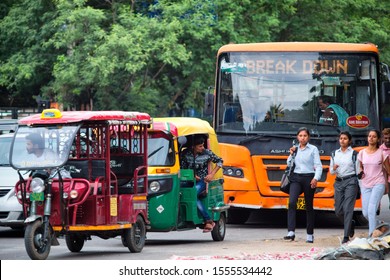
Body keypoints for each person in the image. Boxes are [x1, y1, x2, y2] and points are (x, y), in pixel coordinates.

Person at [284, 127, 323, 243]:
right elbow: (289, 164)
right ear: (297, 137)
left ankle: (310, 234)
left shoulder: (313, 149)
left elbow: (318, 166)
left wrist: (316, 178)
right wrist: (291, 154)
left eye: (305, 136)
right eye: (300, 136)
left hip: (309, 178)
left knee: (308, 206)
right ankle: (291, 232)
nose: (302, 138)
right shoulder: (295, 149)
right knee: (292, 202)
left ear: (308, 137)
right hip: (296, 177)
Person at [180, 134, 223, 232]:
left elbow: (220, 161)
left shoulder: (207, 153)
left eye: (203, 145)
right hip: (188, 180)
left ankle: (208, 220)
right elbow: (182, 167)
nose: (202, 148)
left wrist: (211, 174)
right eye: (200, 146)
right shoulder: (186, 154)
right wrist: (192, 176)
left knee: (193, 193)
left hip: (202, 181)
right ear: (193, 147)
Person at [358, 130, 390, 237]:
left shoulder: (382, 153)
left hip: (378, 183)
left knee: (372, 209)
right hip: (366, 184)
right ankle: (380, 224)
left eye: (374, 136)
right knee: (365, 213)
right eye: (370, 136)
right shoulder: (362, 153)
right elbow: (360, 167)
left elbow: (388, 170)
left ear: (378, 139)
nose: (371, 138)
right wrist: (360, 171)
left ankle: (371, 236)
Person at [329, 131, 359, 244]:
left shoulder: (354, 154)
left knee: (347, 208)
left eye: (345, 138)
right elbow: (331, 171)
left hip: (351, 181)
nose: (342, 140)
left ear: (349, 141)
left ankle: (346, 236)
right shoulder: (334, 153)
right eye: (341, 138)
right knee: (338, 210)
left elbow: (358, 170)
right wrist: (334, 168)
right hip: (339, 182)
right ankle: (350, 224)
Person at [380, 128, 390, 208]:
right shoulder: (380, 150)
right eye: (386, 138)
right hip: (387, 179)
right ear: (383, 138)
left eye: (389, 138)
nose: (387, 140)